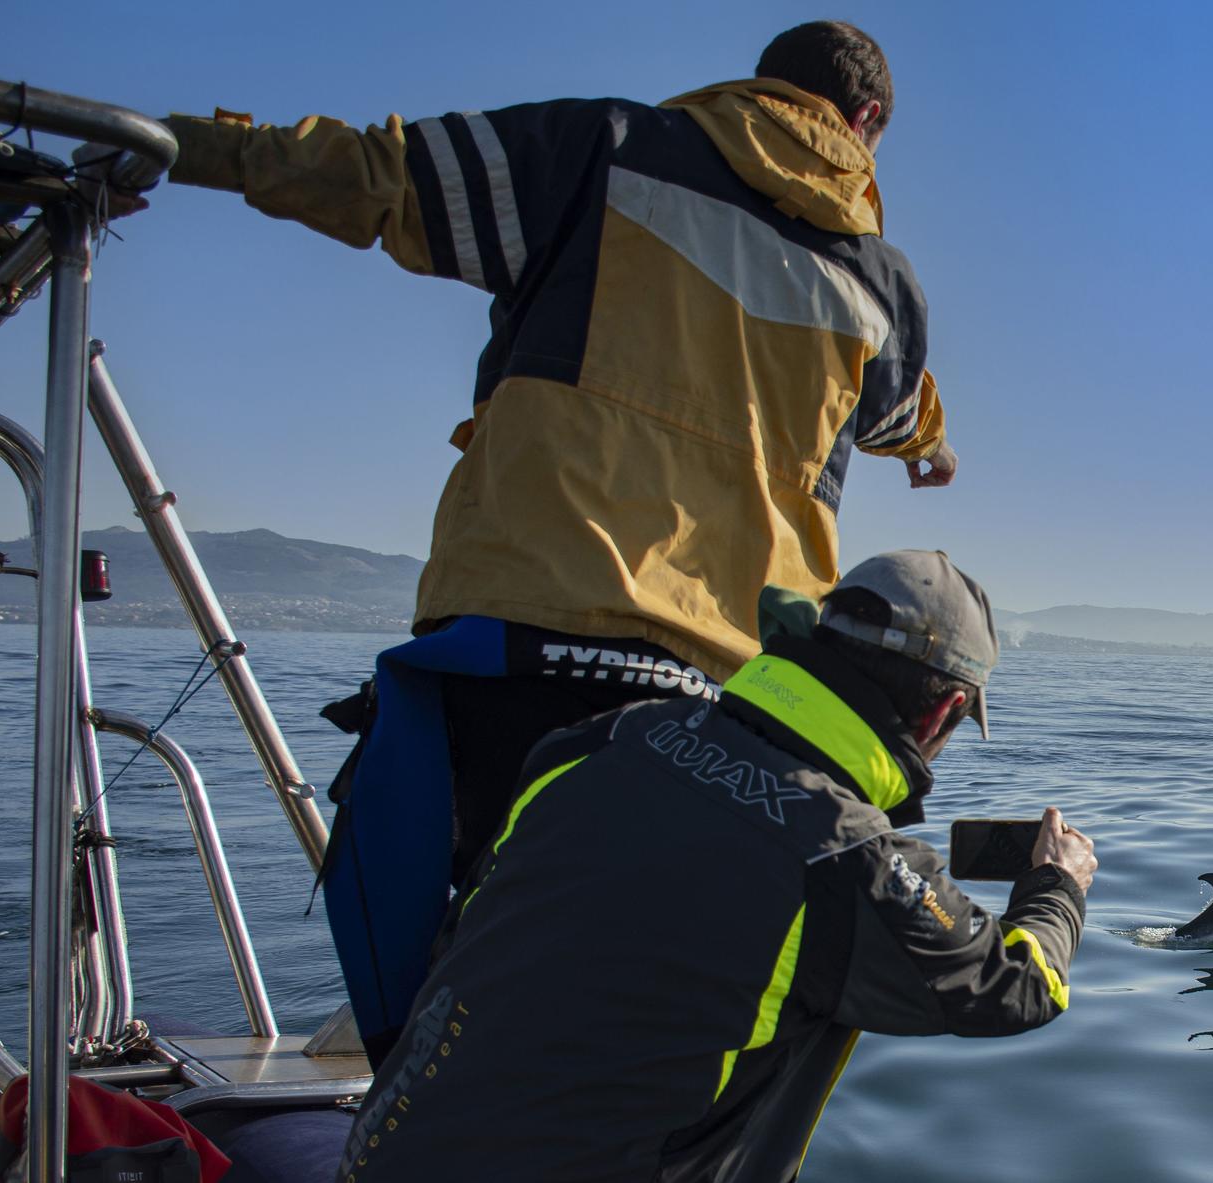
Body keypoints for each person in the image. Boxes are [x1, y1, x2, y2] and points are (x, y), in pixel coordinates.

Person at [152, 21, 958, 1057]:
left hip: (526, 642)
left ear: (761, 84)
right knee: (633, 1016)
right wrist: (933, 451)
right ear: (865, 125)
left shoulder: (602, 152)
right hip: (729, 705)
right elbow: (900, 410)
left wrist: (175, 147)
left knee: (481, 978)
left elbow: (366, 174)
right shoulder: (879, 286)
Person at [302, 550, 1095, 1183]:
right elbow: (1020, 988)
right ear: (943, 712)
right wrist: (1057, 883)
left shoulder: (598, 741)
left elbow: (467, 929)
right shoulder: (848, 861)